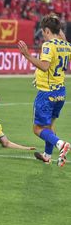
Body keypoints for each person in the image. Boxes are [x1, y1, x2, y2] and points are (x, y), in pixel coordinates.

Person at [18, 14, 71, 167]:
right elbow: (63, 40)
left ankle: (61, 144)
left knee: (37, 129)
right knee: (49, 126)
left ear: (47, 30)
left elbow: (44, 66)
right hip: (60, 92)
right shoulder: (66, 45)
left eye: (43, 31)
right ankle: (47, 156)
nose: (42, 34)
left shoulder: (49, 45)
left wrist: (27, 55)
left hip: (47, 93)